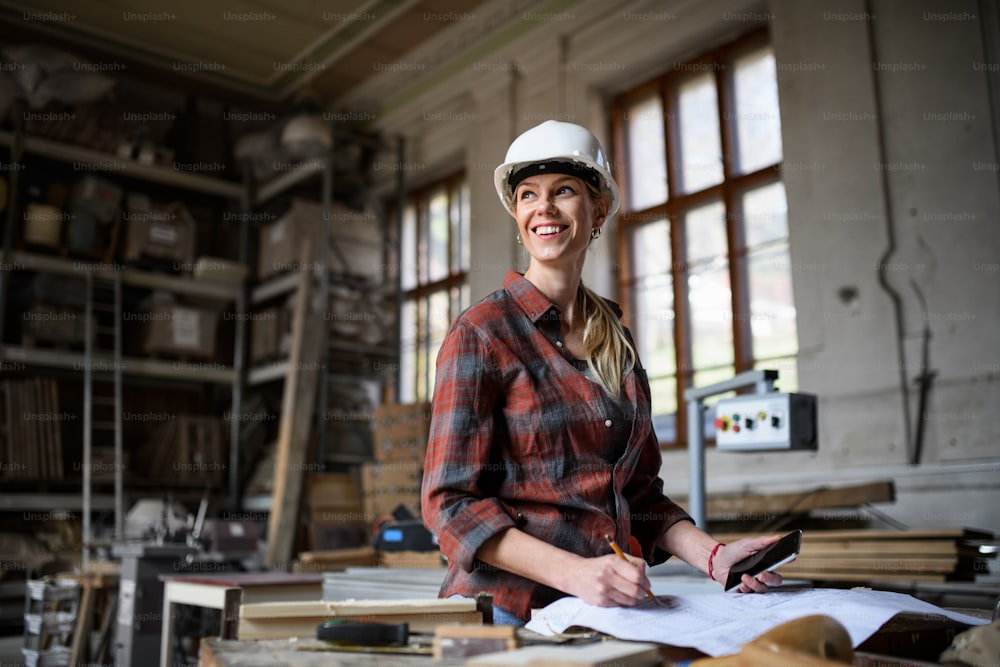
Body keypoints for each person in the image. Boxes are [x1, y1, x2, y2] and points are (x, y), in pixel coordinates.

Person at [420, 120, 782, 625]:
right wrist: (578, 574)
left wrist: (713, 556)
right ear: (518, 215)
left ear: (598, 210)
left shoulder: (617, 341)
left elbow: (637, 492)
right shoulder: (483, 333)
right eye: (528, 195)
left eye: (563, 191)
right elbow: (449, 505)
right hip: (508, 608)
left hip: (596, 609)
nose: (543, 208)